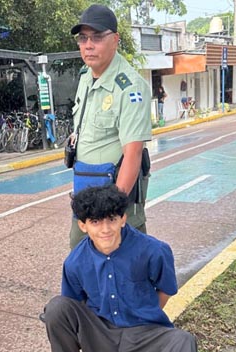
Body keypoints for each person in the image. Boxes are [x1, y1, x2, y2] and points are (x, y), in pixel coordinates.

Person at [42, 185, 198, 352]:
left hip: (144, 334)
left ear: (123, 218)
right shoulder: (75, 261)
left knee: (183, 342)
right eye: (95, 222)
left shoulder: (154, 250)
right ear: (83, 225)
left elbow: (165, 290)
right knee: (56, 308)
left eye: (112, 219)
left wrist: (144, 317)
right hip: (101, 334)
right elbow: (74, 305)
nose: (105, 229)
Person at [66, 4, 152, 249]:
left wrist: (111, 214)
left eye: (96, 37)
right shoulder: (86, 76)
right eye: (83, 38)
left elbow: (133, 154)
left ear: (115, 40)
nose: (88, 45)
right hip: (86, 194)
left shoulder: (130, 87)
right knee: (82, 264)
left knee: (128, 269)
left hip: (115, 199)